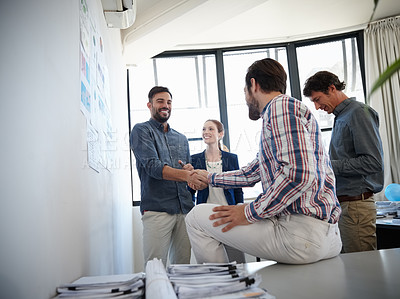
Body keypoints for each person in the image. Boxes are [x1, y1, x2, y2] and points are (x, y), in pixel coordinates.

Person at [185, 58, 342, 265]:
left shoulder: (280, 108)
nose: (246, 98)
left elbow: (300, 176)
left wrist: (249, 212)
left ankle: (221, 288)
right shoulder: (286, 112)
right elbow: (252, 173)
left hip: (301, 234)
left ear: (254, 85)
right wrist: (211, 178)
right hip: (326, 235)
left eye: (245, 91)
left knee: (196, 218)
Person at [303, 71, 384, 253]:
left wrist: (327, 164)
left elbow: (373, 162)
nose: (317, 107)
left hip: (355, 207)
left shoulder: (358, 113)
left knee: (362, 271)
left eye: (318, 99)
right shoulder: (342, 116)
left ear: (332, 88)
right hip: (345, 207)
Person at [130, 86, 204, 266]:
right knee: (155, 268)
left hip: (184, 209)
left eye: (169, 102)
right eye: (160, 101)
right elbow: (153, 167)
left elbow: (184, 170)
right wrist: (187, 175)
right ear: (150, 105)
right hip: (157, 210)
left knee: (183, 268)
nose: (166, 105)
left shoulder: (181, 138)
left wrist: (188, 169)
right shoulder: (141, 131)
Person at [190, 119, 245, 263]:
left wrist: (240, 207)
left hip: (229, 214)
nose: (206, 132)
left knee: (237, 260)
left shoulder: (231, 159)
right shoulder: (195, 159)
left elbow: (238, 187)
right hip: (206, 216)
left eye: (210, 129)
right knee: (210, 262)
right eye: (203, 129)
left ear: (220, 134)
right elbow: (190, 192)